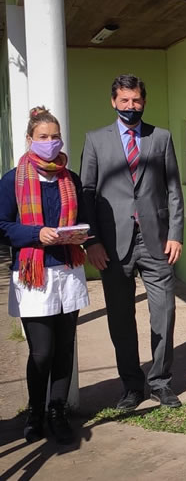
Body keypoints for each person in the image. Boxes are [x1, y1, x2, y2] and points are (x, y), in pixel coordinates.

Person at [80, 74, 184, 411]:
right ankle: (131, 386)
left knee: (164, 314)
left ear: (144, 101)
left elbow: (173, 190)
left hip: (157, 241)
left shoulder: (161, 137)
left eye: (136, 100)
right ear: (113, 101)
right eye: (124, 100)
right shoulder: (96, 140)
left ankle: (161, 382)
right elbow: (87, 194)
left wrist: (176, 234)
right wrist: (92, 241)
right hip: (112, 245)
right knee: (120, 318)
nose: (130, 106)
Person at [0, 107, 90, 444]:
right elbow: (2, 226)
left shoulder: (70, 179)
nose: (50, 142)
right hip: (33, 274)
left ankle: (57, 411)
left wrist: (79, 234)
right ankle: (35, 413)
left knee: (65, 348)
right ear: (29, 139)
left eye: (55, 137)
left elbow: (83, 218)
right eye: (43, 137)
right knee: (42, 352)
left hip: (68, 270)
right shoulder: (13, 179)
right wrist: (36, 233)